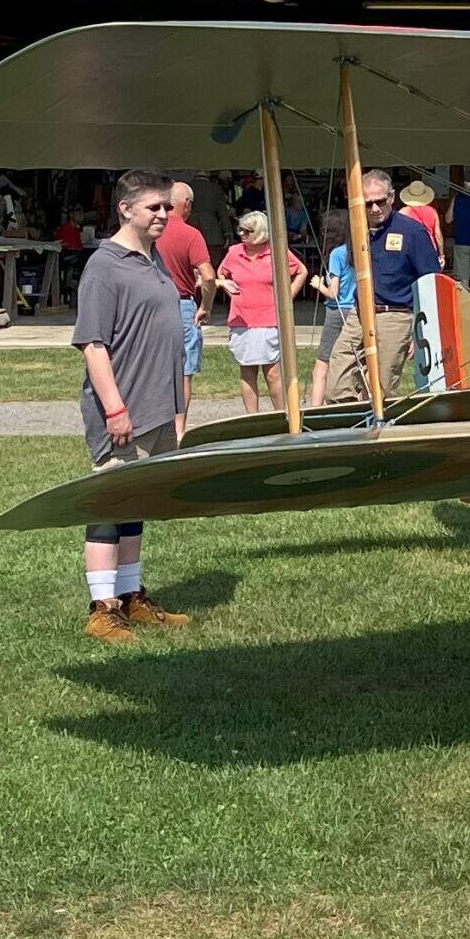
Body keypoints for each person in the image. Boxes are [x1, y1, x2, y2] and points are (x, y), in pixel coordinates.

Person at [71, 168, 195, 643]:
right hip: (123, 409)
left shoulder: (153, 257)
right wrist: (115, 409)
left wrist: (177, 407)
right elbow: (93, 344)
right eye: (155, 207)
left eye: (167, 206)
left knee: (136, 499)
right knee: (110, 499)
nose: (164, 214)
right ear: (126, 209)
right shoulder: (105, 266)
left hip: (159, 408)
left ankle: (130, 597)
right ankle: (101, 609)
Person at [327, 170, 442, 403]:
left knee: (381, 389)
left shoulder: (413, 231)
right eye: (368, 203)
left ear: (391, 197)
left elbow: (432, 283)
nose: (375, 209)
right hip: (360, 313)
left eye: (380, 202)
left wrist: (419, 332)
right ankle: (351, 425)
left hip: (396, 314)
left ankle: (380, 430)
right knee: (336, 384)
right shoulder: (357, 228)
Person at [218, 209, 308, 413]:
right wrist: (225, 283)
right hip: (241, 319)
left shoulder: (277, 251)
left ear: (260, 232)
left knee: (273, 373)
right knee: (247, 372)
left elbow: (301, 270)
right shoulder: (234, 252)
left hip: (269, 319)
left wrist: (287, 297)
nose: (241, 234)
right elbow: (221, 272)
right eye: (240, 229)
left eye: (247, 231)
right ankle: (251, 418)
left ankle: (282, 416)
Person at [154, 179, 215, 439]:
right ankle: (179, 429)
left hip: (152, 305)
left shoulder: (151, 231)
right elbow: (209, 276)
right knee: (184, 370)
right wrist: (206, 306)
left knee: (154, 365)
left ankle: (153, 421)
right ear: (186, 205)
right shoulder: (191, 234)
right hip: (182, 303)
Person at [310, 213, 352, 409]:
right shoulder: (357, 252)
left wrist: (319, 285)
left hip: (337, 312)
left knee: (323, 363)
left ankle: (316, 407)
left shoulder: (337, 254)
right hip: (356, 310)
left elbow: (333, 293)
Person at [399, 178, 444, 251]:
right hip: (428, 247)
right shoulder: (432, 212)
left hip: (409, 248)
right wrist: (441, 254)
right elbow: (438, 235)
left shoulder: (403, 212)